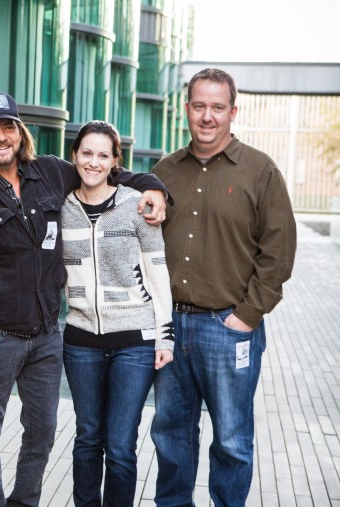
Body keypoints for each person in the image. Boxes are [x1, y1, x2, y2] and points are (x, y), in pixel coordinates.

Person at [0, 92, 169, 506]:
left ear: (19, 131)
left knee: (42, 437)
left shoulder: (47, 172)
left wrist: (153, 187)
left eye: (7, 126)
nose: (0, 137)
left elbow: (105, 172)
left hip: (46, 339)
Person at [150, 68, 297, 506]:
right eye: (199, 106)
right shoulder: (164, 171)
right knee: (170, 436)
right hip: (172, 330)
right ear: (187, 110)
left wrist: (245, 317)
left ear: (233, 112)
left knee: (232, 441)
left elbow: (278, 254)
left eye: (217, 107)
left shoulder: (260, 171)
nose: (207, 117)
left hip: (229, 328)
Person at [60, 121, 174, 506]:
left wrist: (165, 336)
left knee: (122, 444)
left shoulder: (137, 205)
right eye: (86, 153)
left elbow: (158, 273)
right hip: (80, 340)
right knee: (88, 437)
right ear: (74, 155)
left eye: (103, 155)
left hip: (135, 341)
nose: (93, 162)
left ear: (114, 162)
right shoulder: (60, 207)